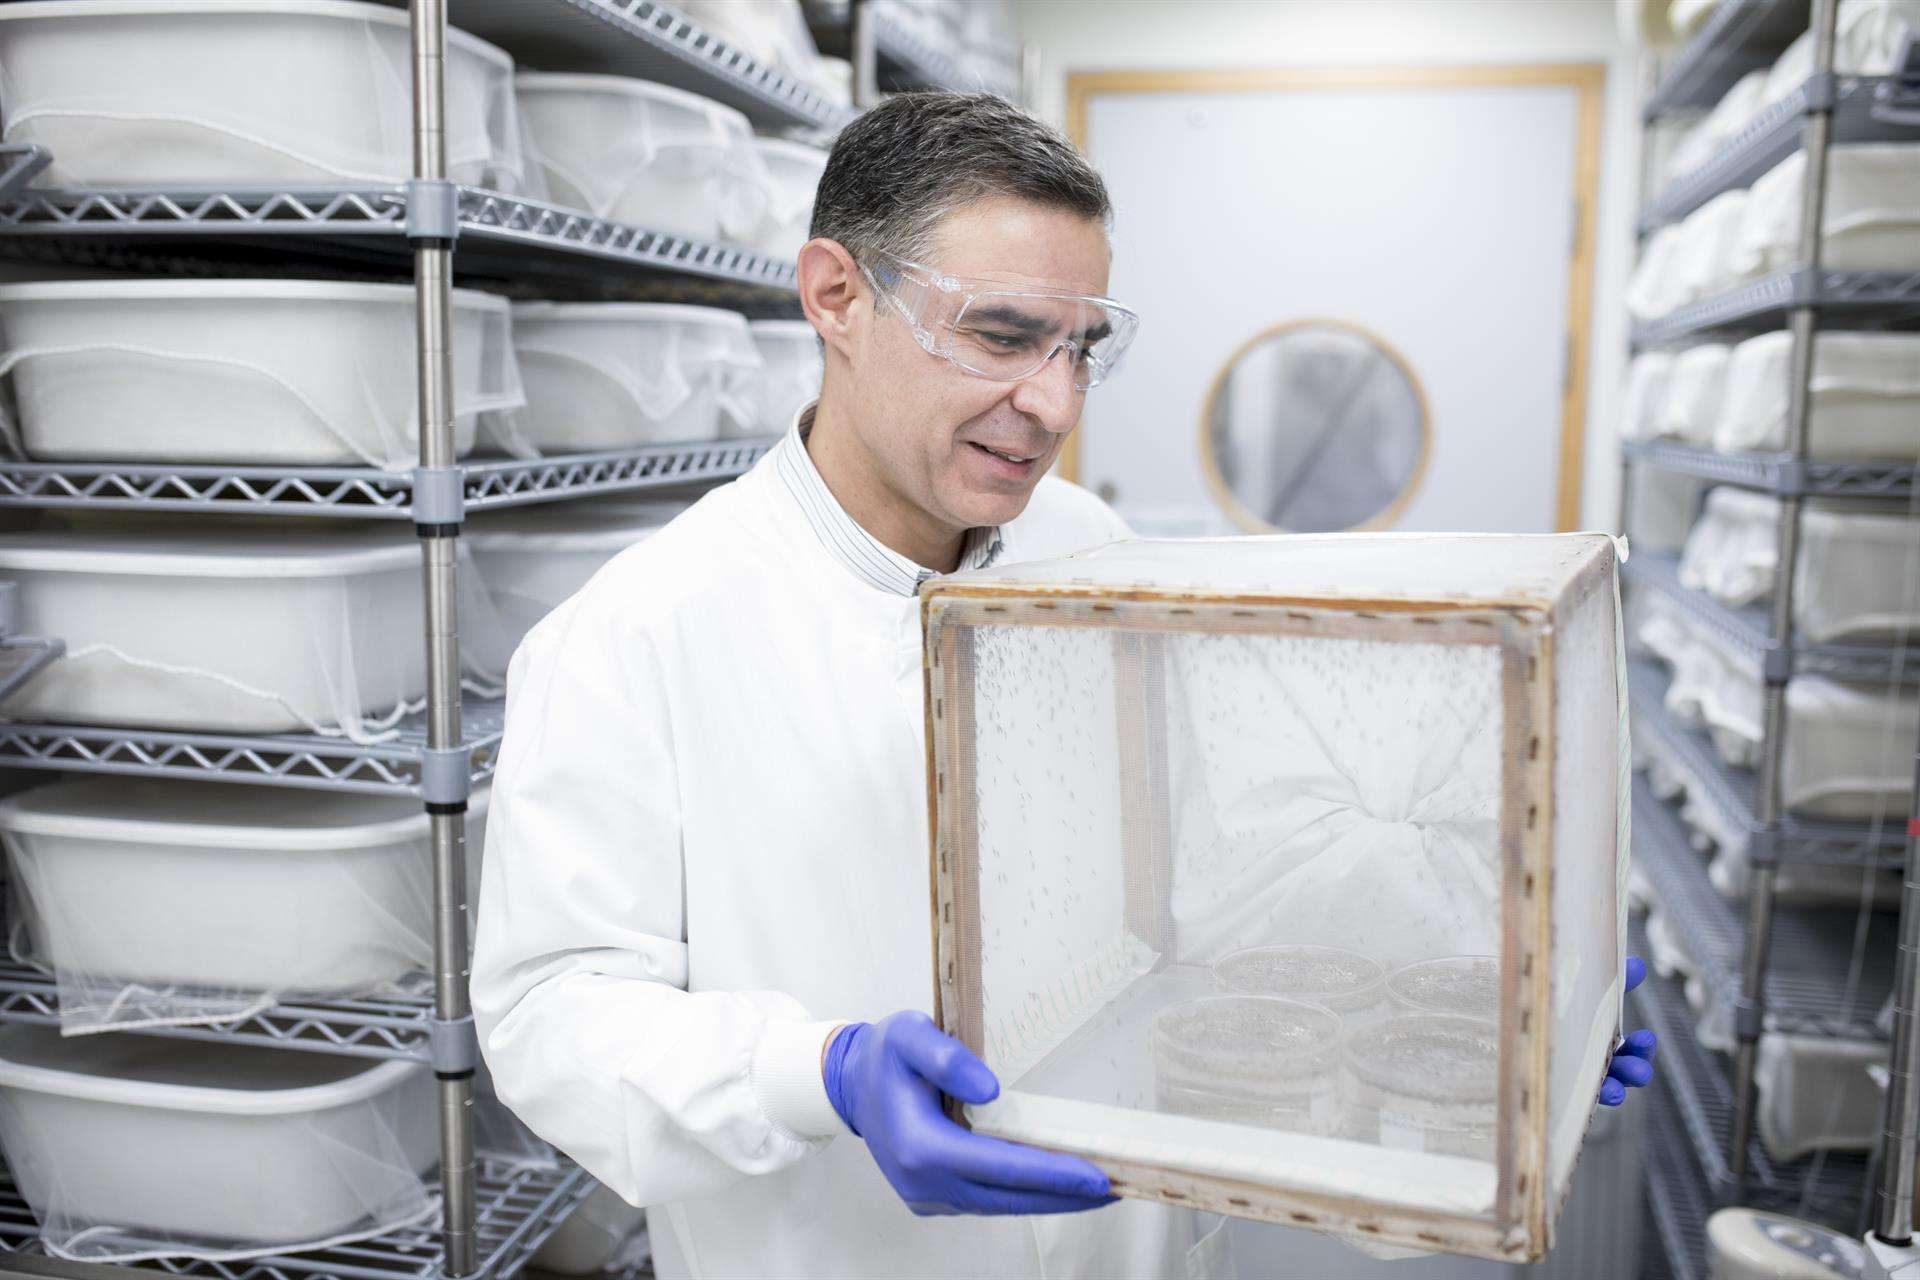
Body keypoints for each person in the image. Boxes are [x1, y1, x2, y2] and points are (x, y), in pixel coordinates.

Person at [470, 92, 1656, 1280]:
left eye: (1079, 348)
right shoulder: (637, 633)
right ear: (836, 294)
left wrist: (1480, 998)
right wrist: (816, 1071)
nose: (1055, 406)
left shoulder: (1087, 551)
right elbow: (551, 1013)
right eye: (1000, 335)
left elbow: (1217, 875)